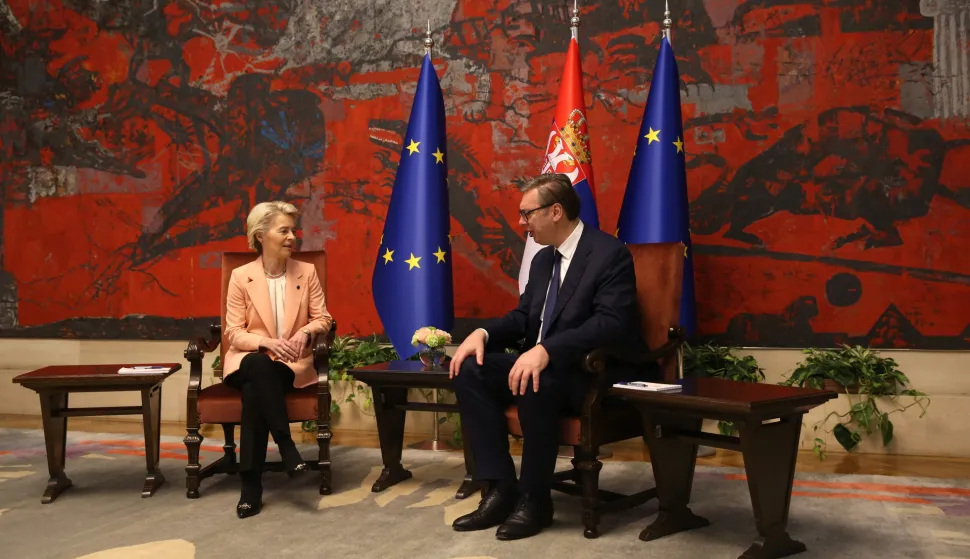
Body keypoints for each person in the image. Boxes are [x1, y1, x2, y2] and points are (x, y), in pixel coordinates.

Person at [449, 173, 655, 540]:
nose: (522, 223)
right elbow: (524, 316)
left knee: (533, 379)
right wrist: (482, 334)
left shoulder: (608, 254)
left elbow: (612, 323)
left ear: (555, 211)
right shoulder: (543, 260)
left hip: (589, 369)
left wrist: (546, 349)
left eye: (527, 214)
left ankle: (535, 499)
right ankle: (499, 488)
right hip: (544, 364)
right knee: (471, 368)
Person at [223, 201, 333, 518]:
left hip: (288, 364)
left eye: (292, 230)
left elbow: (323, 318)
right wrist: (267, 342)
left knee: (257, 389)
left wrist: (305, 333)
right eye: (283, 230)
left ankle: (250, 487)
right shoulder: (241, 277)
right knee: (258, 365)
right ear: (260, 235)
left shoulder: (306, 272)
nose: (291, 237)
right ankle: (286, 445)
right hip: (246, 361)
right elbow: (233, 332)